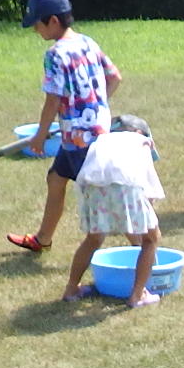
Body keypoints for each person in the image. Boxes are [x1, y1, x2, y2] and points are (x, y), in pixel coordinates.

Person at [5, 0, 119, 256]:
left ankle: (144, 244)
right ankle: (42, 239)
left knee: (104, 195)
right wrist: (97, 107)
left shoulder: (55, 55)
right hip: (86, 134)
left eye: (37, 24)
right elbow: (114, 77)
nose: (36, 31)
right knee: (56, 179)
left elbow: (52, 100)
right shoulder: (88, 42)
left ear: (53, 21)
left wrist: (40, 135)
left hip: (81, 142)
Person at [62, 114, 163, 306]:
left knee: (94, 239)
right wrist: (148, 210)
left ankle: (72, 288)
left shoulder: (102, 139)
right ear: (139, 132)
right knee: (151, 239)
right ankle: (138, 295)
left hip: (91, 186)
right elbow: (147, 182)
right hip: (126, 184)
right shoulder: (142, 141)